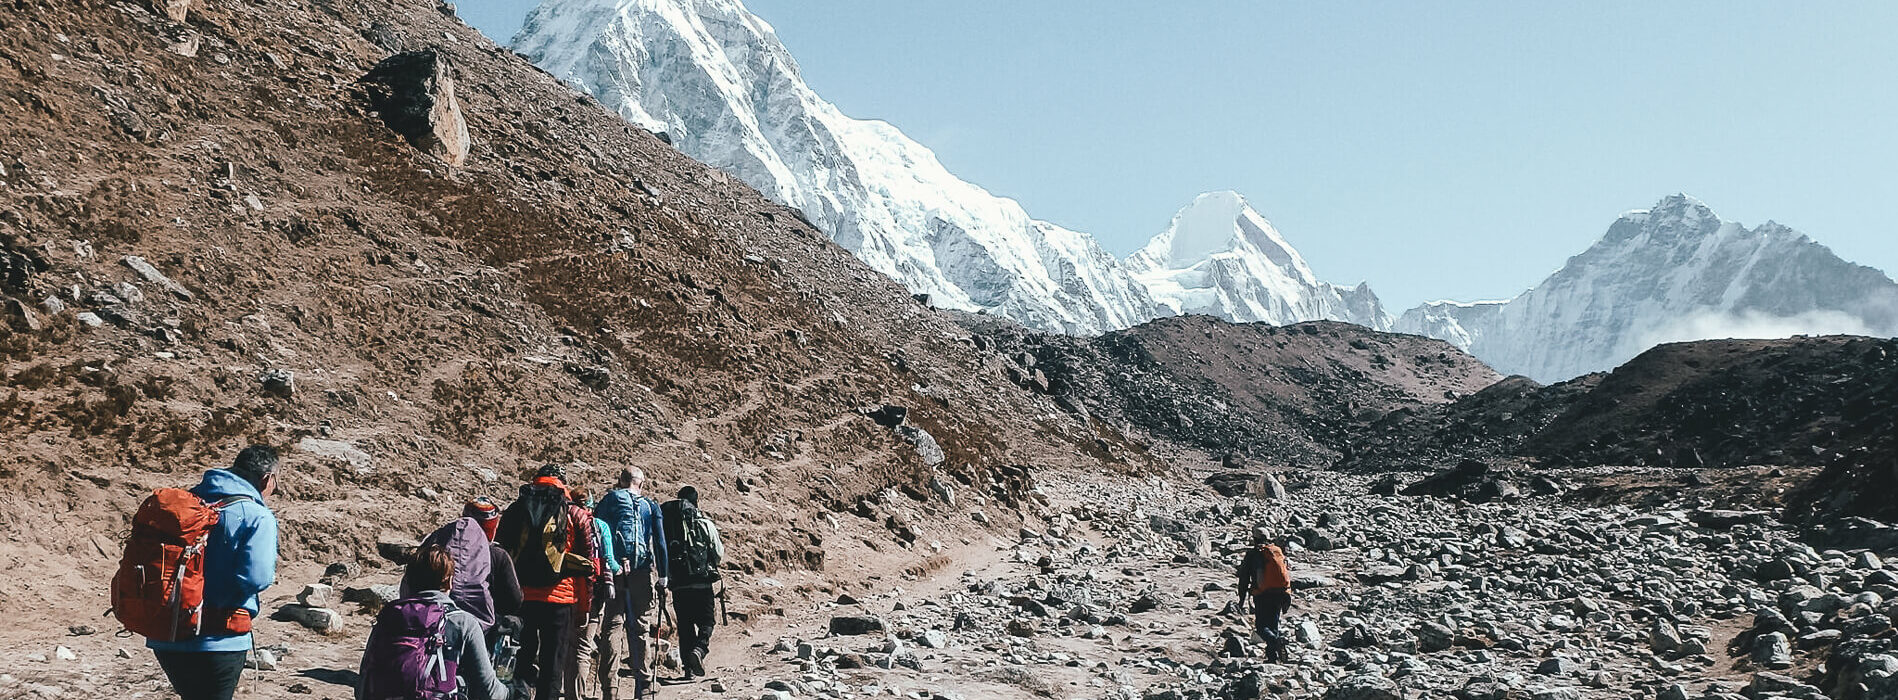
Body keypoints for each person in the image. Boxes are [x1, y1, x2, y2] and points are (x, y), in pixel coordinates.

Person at [144, 445, 282, 700]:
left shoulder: (186, 502)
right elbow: (258, 578)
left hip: (166, 633)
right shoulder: (257, 516)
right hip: (220, 639)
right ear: (267, 479)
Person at [358, 546, 510, 700]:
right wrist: (512, 691)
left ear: (409, 581)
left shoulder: (390, 617)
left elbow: (362, 685)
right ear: (450, 582)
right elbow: (488, 691)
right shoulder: (462, 623)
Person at [498, 464, 597, 700]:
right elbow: (588, 568)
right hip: (560, 599)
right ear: (563, 482)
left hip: (522, 597)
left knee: (521, 660)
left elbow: (501, 555)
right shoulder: (576, 515)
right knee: (553, 664)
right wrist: (584, 608)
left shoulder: (516, 509)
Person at [594, 467, 668, 699]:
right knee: (640, 626)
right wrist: (663, 575)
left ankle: (610, 688)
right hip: (642, 572)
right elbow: (660, 542)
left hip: (615, 571)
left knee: (613, 626)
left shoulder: (610, 500)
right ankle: (644, 684)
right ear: (641, 484)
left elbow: (598, 532)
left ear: (621, 481)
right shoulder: (649, 505)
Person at [660, 485, 723, 679]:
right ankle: (700, 649)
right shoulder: (703, 523)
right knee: (707, 621)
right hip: (702, 582)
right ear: (696, 501)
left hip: (678, 583)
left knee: (685, 626)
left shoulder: (669, 525)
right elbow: (718, 553)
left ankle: (688, 670)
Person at [564, 488, 619, 700]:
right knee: (582, 648)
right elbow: (608, 559)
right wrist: (619, 570)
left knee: (569, 646)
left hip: (564, 590)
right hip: (591, 593)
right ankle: (576, 695)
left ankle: (567, 691)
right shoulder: (600, 525)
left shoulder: (564, 522)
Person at [466, 497, 525, 643]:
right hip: (485, 626)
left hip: (445, 621)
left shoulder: (446, 547)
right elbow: (514, 599)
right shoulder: (498, 555)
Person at [1236, 526, 1293, 662]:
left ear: (1254, 539)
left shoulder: (1253, 554)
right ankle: (1273, 657)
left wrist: (1242, 598)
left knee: (1262, 627)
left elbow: (1244, 578)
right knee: (1273, 625)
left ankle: (1276, 641)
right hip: (1281, 593)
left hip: (1263, 594)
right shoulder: (1276, 551)